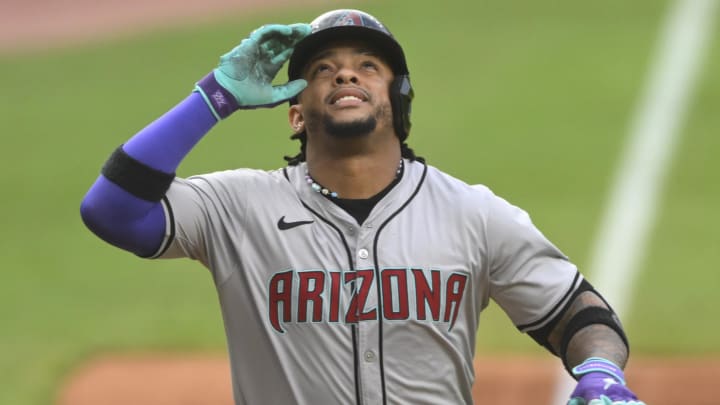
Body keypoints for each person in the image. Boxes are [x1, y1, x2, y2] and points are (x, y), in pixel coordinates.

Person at [80, 9, 645, 405]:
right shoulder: (237, 206)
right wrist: (215, 96)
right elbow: (112, 211)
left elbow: (579, 314)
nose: (345, 73)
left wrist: (598, 370)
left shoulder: (472, 213)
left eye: (368, 66)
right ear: (295, 112)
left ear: (399, 103)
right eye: (321, 69)